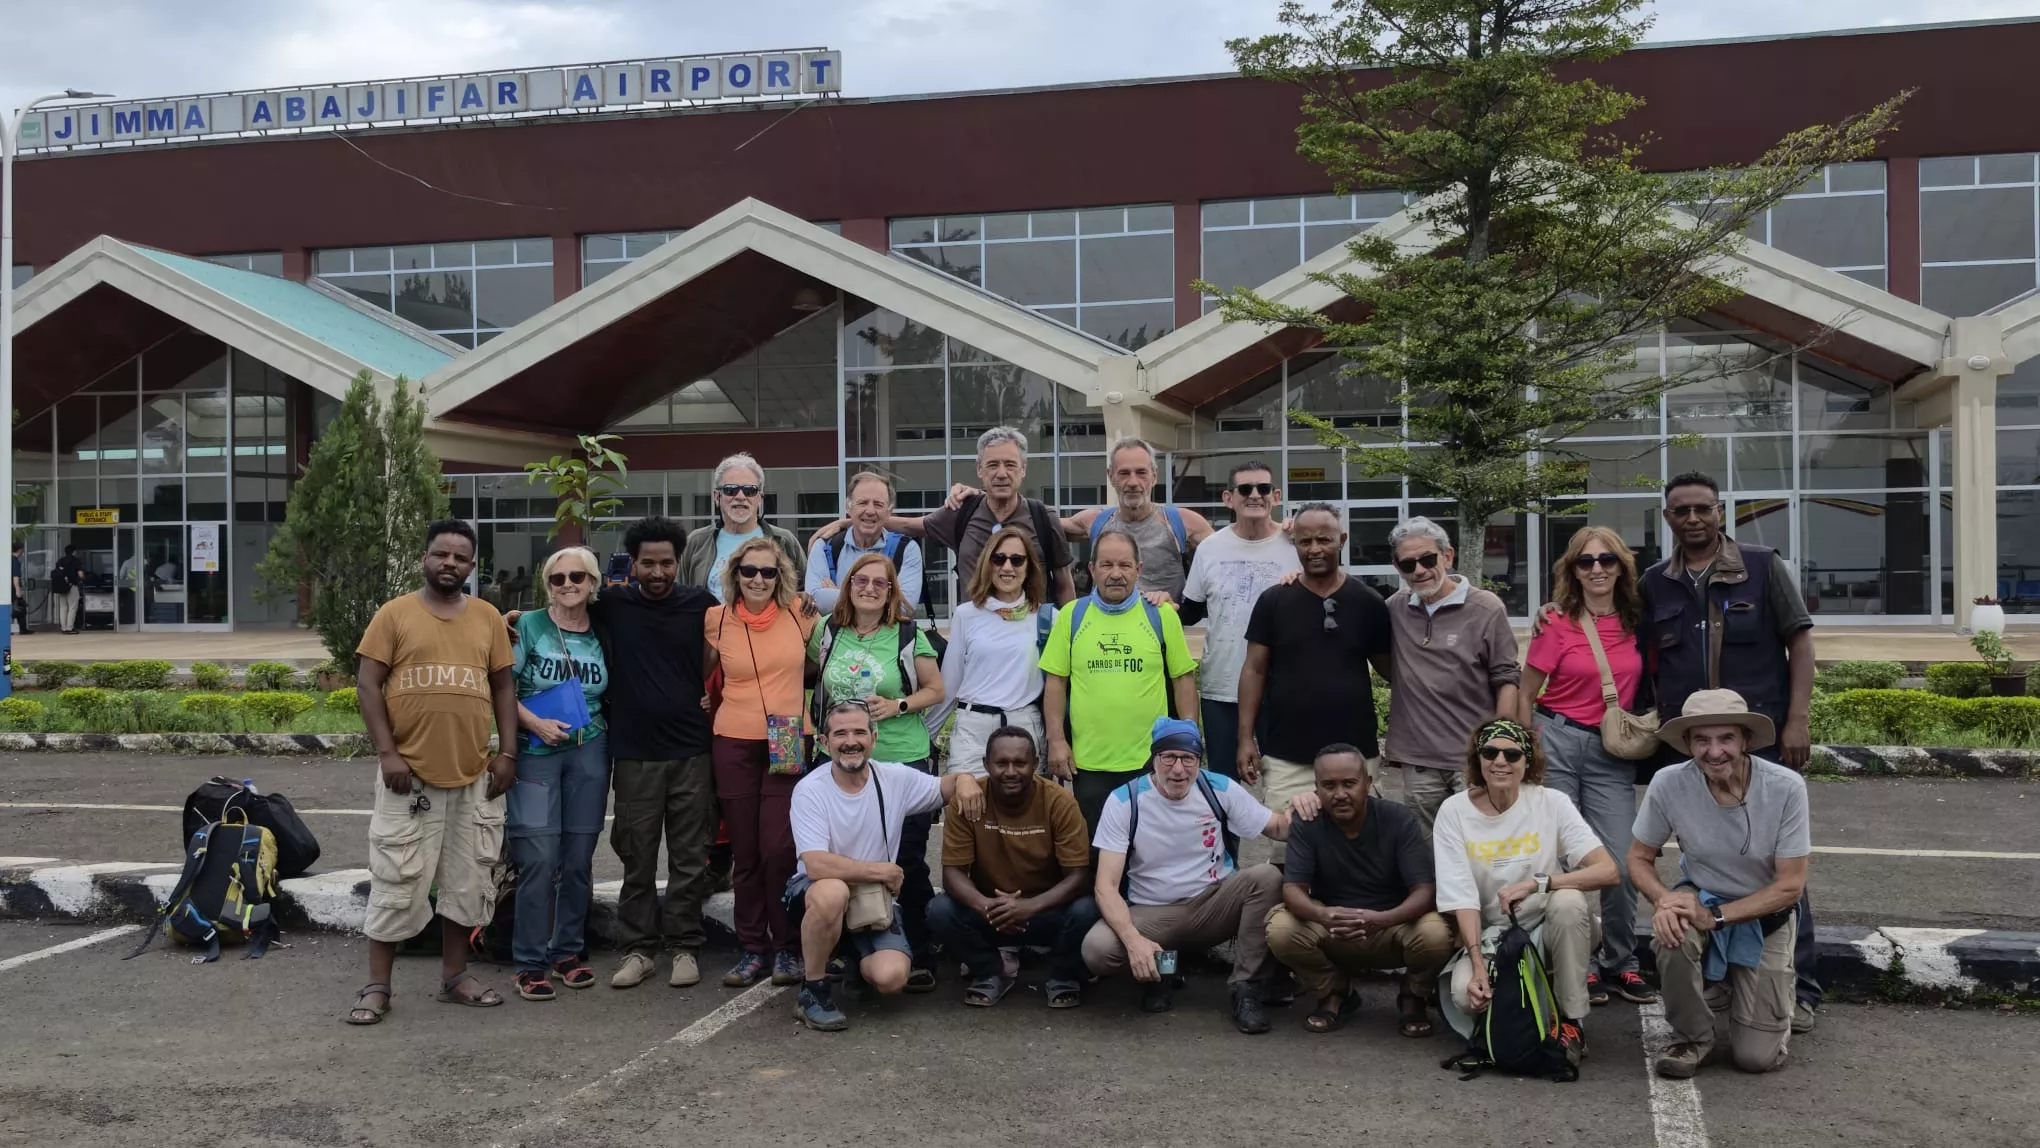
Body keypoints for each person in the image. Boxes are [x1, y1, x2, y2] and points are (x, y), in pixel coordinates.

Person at [1639, 472, 1821, 1033]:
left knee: (1778, 859)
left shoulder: (1763, 565)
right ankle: (1714, 973)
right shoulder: (1654, 582)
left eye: (1702, 509)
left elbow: (1801, 640)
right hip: (1689, 738)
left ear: (1721, 512)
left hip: (1754, 735)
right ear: (1667, 518)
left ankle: (1804, 984)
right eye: (1680, 511)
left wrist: (1797, 719)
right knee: (1703, 852)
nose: (1692, 519)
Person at [518, 517, 722, 993]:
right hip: (632, 754)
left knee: (690, 857)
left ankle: (684, 947)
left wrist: (715, 693)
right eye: (647, 563)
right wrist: (514, 619)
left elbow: (728, 650)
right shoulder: (613, 603)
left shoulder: (701, 605)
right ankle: (638, 950)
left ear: (679, 563)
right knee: (637, 857)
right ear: (632, 565)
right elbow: (562, 611)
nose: (657, 571)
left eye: (666, 563)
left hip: (692, 749)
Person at [345, 520, 520, 1024]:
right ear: (424, 559)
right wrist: (387, 754)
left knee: (467, 882)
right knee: (397, 880)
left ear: (471, 566)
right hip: (408, 777)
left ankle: (455, 977)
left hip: (474, 777)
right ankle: (378, 985)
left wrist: (506, 753)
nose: (450, 563)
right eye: (441, 554)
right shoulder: (394, 615)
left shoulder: (487, 618)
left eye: (460, 557)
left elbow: (504, 689)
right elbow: (368, 685)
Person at [1084, 717, 1309, 1034]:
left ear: (1198, 761)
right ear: (1154, 759)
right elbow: (1106, 888)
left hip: (1214, 902)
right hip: (1153, 912)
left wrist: (1304, 802)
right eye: (1169, 758)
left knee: (1266, 877)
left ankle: (1247, 989)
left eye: (1188, 758)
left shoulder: (1218, 788)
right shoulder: (1125, 801)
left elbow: (1278, 827)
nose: (1179, 770)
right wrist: (1134, 942)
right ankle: (1164, 970)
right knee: (1097, 949)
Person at [1630, 690, 1811, 1079]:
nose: (1714, 752)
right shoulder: (1668, 783)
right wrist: (1665, 901)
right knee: (1670, 933)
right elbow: (1638, 858)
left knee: (1756, 1059)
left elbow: (1790, 886)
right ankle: (1693, 1036)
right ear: (1688, 744)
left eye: (1726, 738)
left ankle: (1742, 988)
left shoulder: (1786, 786)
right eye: (1701, 740)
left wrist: (1716, 917)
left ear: (1745, 740)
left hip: (1766, 913)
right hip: (1703, 893)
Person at [1520, 525, 1657, 1008]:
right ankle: (1571, 962)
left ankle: (1622, 962)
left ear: (1622, 566)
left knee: (1619, 862)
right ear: (1571, 570)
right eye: (1585, 561)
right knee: (1557, 861)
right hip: (1554, 739)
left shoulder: (1640, 617)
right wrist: (1523, 752)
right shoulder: (1556, 621)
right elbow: (1525, 691)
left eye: (1607, 560)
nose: (1597, 568)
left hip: (1611, 750)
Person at [786, 700, 984, 1031]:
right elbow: (817, 865)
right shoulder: (809, 790)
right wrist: (881, 871)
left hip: (873, 903)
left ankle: (853, 961)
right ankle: (814, 991)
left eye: (860, 732)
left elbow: (943, 788)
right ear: (824, 742)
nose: (851, 741)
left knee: (891, 978)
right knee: (832, 892)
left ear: (874, 738)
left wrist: (963, 778)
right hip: (816, 894)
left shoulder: (893, 778)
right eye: (840, 733)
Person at [1432, 719, 1619, 1059]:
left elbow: (1607, 870)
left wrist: (1540, 883)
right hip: (1495, 934)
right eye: (1490, 752)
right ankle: (1534, 1000)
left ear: (1527, 761)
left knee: (1568, 901)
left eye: (1512, 754)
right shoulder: (1454, 811)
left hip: (1553, 926)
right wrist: (1476, 966)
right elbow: (1461, 896)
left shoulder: (1552, 802)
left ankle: (1571, 1020)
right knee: (1465, 996)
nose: (1500, 762)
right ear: (1478, 759)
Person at [806, 552, 945, 992]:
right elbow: (805, 674)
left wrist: (898, 704)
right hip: (841, 757)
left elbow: (936, 689)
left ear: (891, 592)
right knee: (844, 860)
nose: (868, 588)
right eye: (860, 581)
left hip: (901, 757)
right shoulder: (826, 632)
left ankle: (918, 951)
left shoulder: (907, 634)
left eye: (879, 584)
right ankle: (849, 949)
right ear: (848, 586)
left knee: (906, 860)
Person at [1265, 744, 1451, 1037]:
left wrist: (1382, 920)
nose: (1339, 794)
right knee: (1281, 928)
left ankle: (1413, 995)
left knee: (1436, 934)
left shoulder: (1398, 819)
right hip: (1333, 927)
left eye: (1349, 783)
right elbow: (1293, 890)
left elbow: (1425, 891)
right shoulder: (1307, 823)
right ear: (1317, 789)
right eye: (1329, 785)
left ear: (1368, 783)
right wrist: (1323, 914)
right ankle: (1334, 992)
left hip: (1392, 927)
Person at [704, 537, 819, 989]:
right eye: (749, 571)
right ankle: (753, 948)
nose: (757, 579)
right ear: (735, 575)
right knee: (746, 852)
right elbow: (705, 676)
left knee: (779, 849)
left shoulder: (801, 613)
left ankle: (787, 947)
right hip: (733, 738)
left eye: (767, 572)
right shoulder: (716, 620)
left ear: (781, 576)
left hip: (789, 734)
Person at [1039, 527, 1198, 835]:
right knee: (1098, 850)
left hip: (1150, 761)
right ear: (1091, 569)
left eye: (1124, 565)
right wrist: (1057, 741)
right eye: (1106, 565)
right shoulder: (1072, 615)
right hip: (1089, 762)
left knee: (1150, 849)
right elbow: (1056, 682)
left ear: (1138, 570)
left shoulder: (1161, 615)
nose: (1115, 574)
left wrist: (1187, 740)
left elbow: (1183, 679)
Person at [1236, 503, 1392, 814]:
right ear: (1294, 544)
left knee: (1359, 850)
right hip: (1287, 757)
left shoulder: (1369, 603)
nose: (1315, 549)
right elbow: (1254, 671)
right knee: (1287, 852)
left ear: (1342, 540)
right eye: (1305, 541)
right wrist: (1245, 739)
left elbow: (1392, 671)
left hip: (1356, 755)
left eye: (1324, 540)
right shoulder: (1274, 602)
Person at [928, 725, 1097, 1008]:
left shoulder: (1059, 801)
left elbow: (1078, 876)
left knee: (1088, 909)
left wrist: (1030, 907)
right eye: (1001, 763)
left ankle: (1063, 975)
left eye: (1020, 763)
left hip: (1045, 912)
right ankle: (991, 971)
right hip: (990, 912)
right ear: (986, 764)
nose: (1010, 771)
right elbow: (952, 874)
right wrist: (985, 906)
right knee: (940, 910)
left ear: (1035, 764)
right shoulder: (967, 800)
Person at [505, 546, 610, 1001]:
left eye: (578, 577)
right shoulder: (526, 625)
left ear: (593, 583)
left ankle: (568, 950)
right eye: (557, 579)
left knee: (577, 858)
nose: (568, 585)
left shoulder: (605, 627)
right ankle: (529, 961)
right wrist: (533, 723)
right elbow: (500, 688)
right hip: (535, 751)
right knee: (538, 858)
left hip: (590, 749)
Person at [817, 426, 1076, 605]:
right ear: (979, 469)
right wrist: (852, 521)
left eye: (1010, 465)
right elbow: (910, 525)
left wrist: (1068, 641)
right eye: (992, 465)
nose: (1001, 473)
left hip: (1034, 640)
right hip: (976, 639)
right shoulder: (963, 512)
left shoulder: (1043, 517)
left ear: (1023, 469)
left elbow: (1064, 585)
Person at [1382, 516, 1522, 835]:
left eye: (1428, 559)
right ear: (1397, 566)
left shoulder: (1486, 608)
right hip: (1419, 760)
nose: (1419, 570)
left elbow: (1507, 678)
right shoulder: (1394, 609)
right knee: (1427, 853)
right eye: (1408, 564)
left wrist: (1499, 742)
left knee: (1482, 847)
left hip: (1471, 757)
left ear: (1448, 556)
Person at [1178, 460, 1299, 782]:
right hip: (1222, 687)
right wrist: (1158, 604)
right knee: (1222, 788)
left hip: (1283, 687)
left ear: (1276, 496)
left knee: (1286, 786)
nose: (1254, 495)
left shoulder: (1298, 544)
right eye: (1245, 489)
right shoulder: (1210, 548)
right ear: (1228, 498)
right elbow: (1189, 611)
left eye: (1263, 488)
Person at [939, 530, 1056, 777]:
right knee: (968, 808)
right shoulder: (966, 614)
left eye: (1017, 560)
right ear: (987, 564)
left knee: (1026, 813)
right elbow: (950, 683)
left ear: (1029, 567)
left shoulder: (1048, 619)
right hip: (973, 730)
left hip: (1024, 725)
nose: (1007, 567)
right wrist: (928, 736)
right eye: (999, 558)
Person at [1057, 437, 1217, 604]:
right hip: (1105, 627)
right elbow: (1040, 524)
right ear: (1111, 476)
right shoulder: (1095, 521)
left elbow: (1226, 560)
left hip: (1162, 626)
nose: (1133, 482)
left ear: (1154, 476)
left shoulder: (1182, 522)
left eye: (1141, 473)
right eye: (1124, 473)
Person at [682, 452, 806, 600]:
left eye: (749, 491)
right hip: (711, 623)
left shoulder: (783, 540)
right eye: (730, 490)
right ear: (716, 497)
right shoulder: (697, 542)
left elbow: (805, 593)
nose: (740, 497)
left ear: (759, 498)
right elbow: (679, 595)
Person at [805, 469, 923, 615]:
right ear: (849, 506)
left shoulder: (907, 549)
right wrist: (880, 598)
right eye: (863, 503)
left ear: (889, 510)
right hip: (836, 637)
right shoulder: (824, 547)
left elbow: (904, 608)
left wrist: (839, 594)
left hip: (887, 638)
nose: (870, 511)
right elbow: (815, 601)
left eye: (878, 504)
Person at [51, 544, 83, 634]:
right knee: (72, 607)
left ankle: (63, 628)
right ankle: (70, 628)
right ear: (74, 551)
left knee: (63, 607)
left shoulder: (60, 561)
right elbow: (80, 574)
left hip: (61, 586)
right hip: (72, 586)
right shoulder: (75, 561)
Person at [10, 542, 30, 635]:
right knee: (19, 608)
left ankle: (21, 629)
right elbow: (15, 576)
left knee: (15, 608)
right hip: (12, 589)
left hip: (7, 589)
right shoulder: (15, 561)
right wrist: (18, 589)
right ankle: (23, 629)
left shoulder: (7, 559)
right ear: (19, 550)